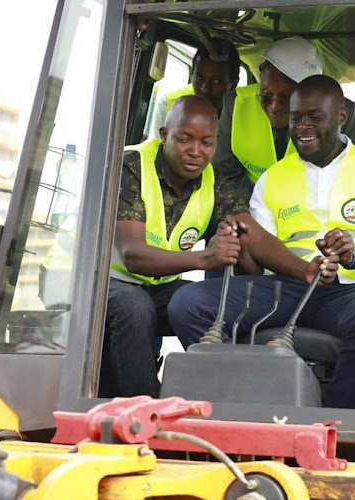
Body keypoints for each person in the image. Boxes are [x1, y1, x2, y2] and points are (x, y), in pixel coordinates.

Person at [103, 95, 338, 398]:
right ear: (164, 136)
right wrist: (204, 259)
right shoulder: (131, 166)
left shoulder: (215, 183)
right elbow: (133, 256)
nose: (196, 152)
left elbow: (252, 234)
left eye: (206, 143)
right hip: (97, 286)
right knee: (134, 307)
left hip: (154, 288)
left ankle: (229, 397)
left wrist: (303, 269)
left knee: (206, 305)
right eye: (184, 140)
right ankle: (148, 408)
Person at [169, 75, 355, 409]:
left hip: (351, 292)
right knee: (188, 303)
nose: (302, 127)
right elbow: (253, 270)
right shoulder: (273, 177)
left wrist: (353, 258)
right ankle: (241, 402)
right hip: (286, 288)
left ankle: (340, 421)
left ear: (341, 116)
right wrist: (240, 245)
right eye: (296, 119)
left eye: (315, 117)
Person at [212, 36, 355, 204]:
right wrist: (257, 213)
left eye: (286, 97)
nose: (274, 106)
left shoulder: (336, 111)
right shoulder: (236, 104)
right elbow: (225, 173)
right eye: (266, 95)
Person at [146, 42, 241, 139]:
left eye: (216, 81)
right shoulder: (168, 104)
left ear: (233, 84)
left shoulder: (244, 113)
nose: (205, 89)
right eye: (199, 79)